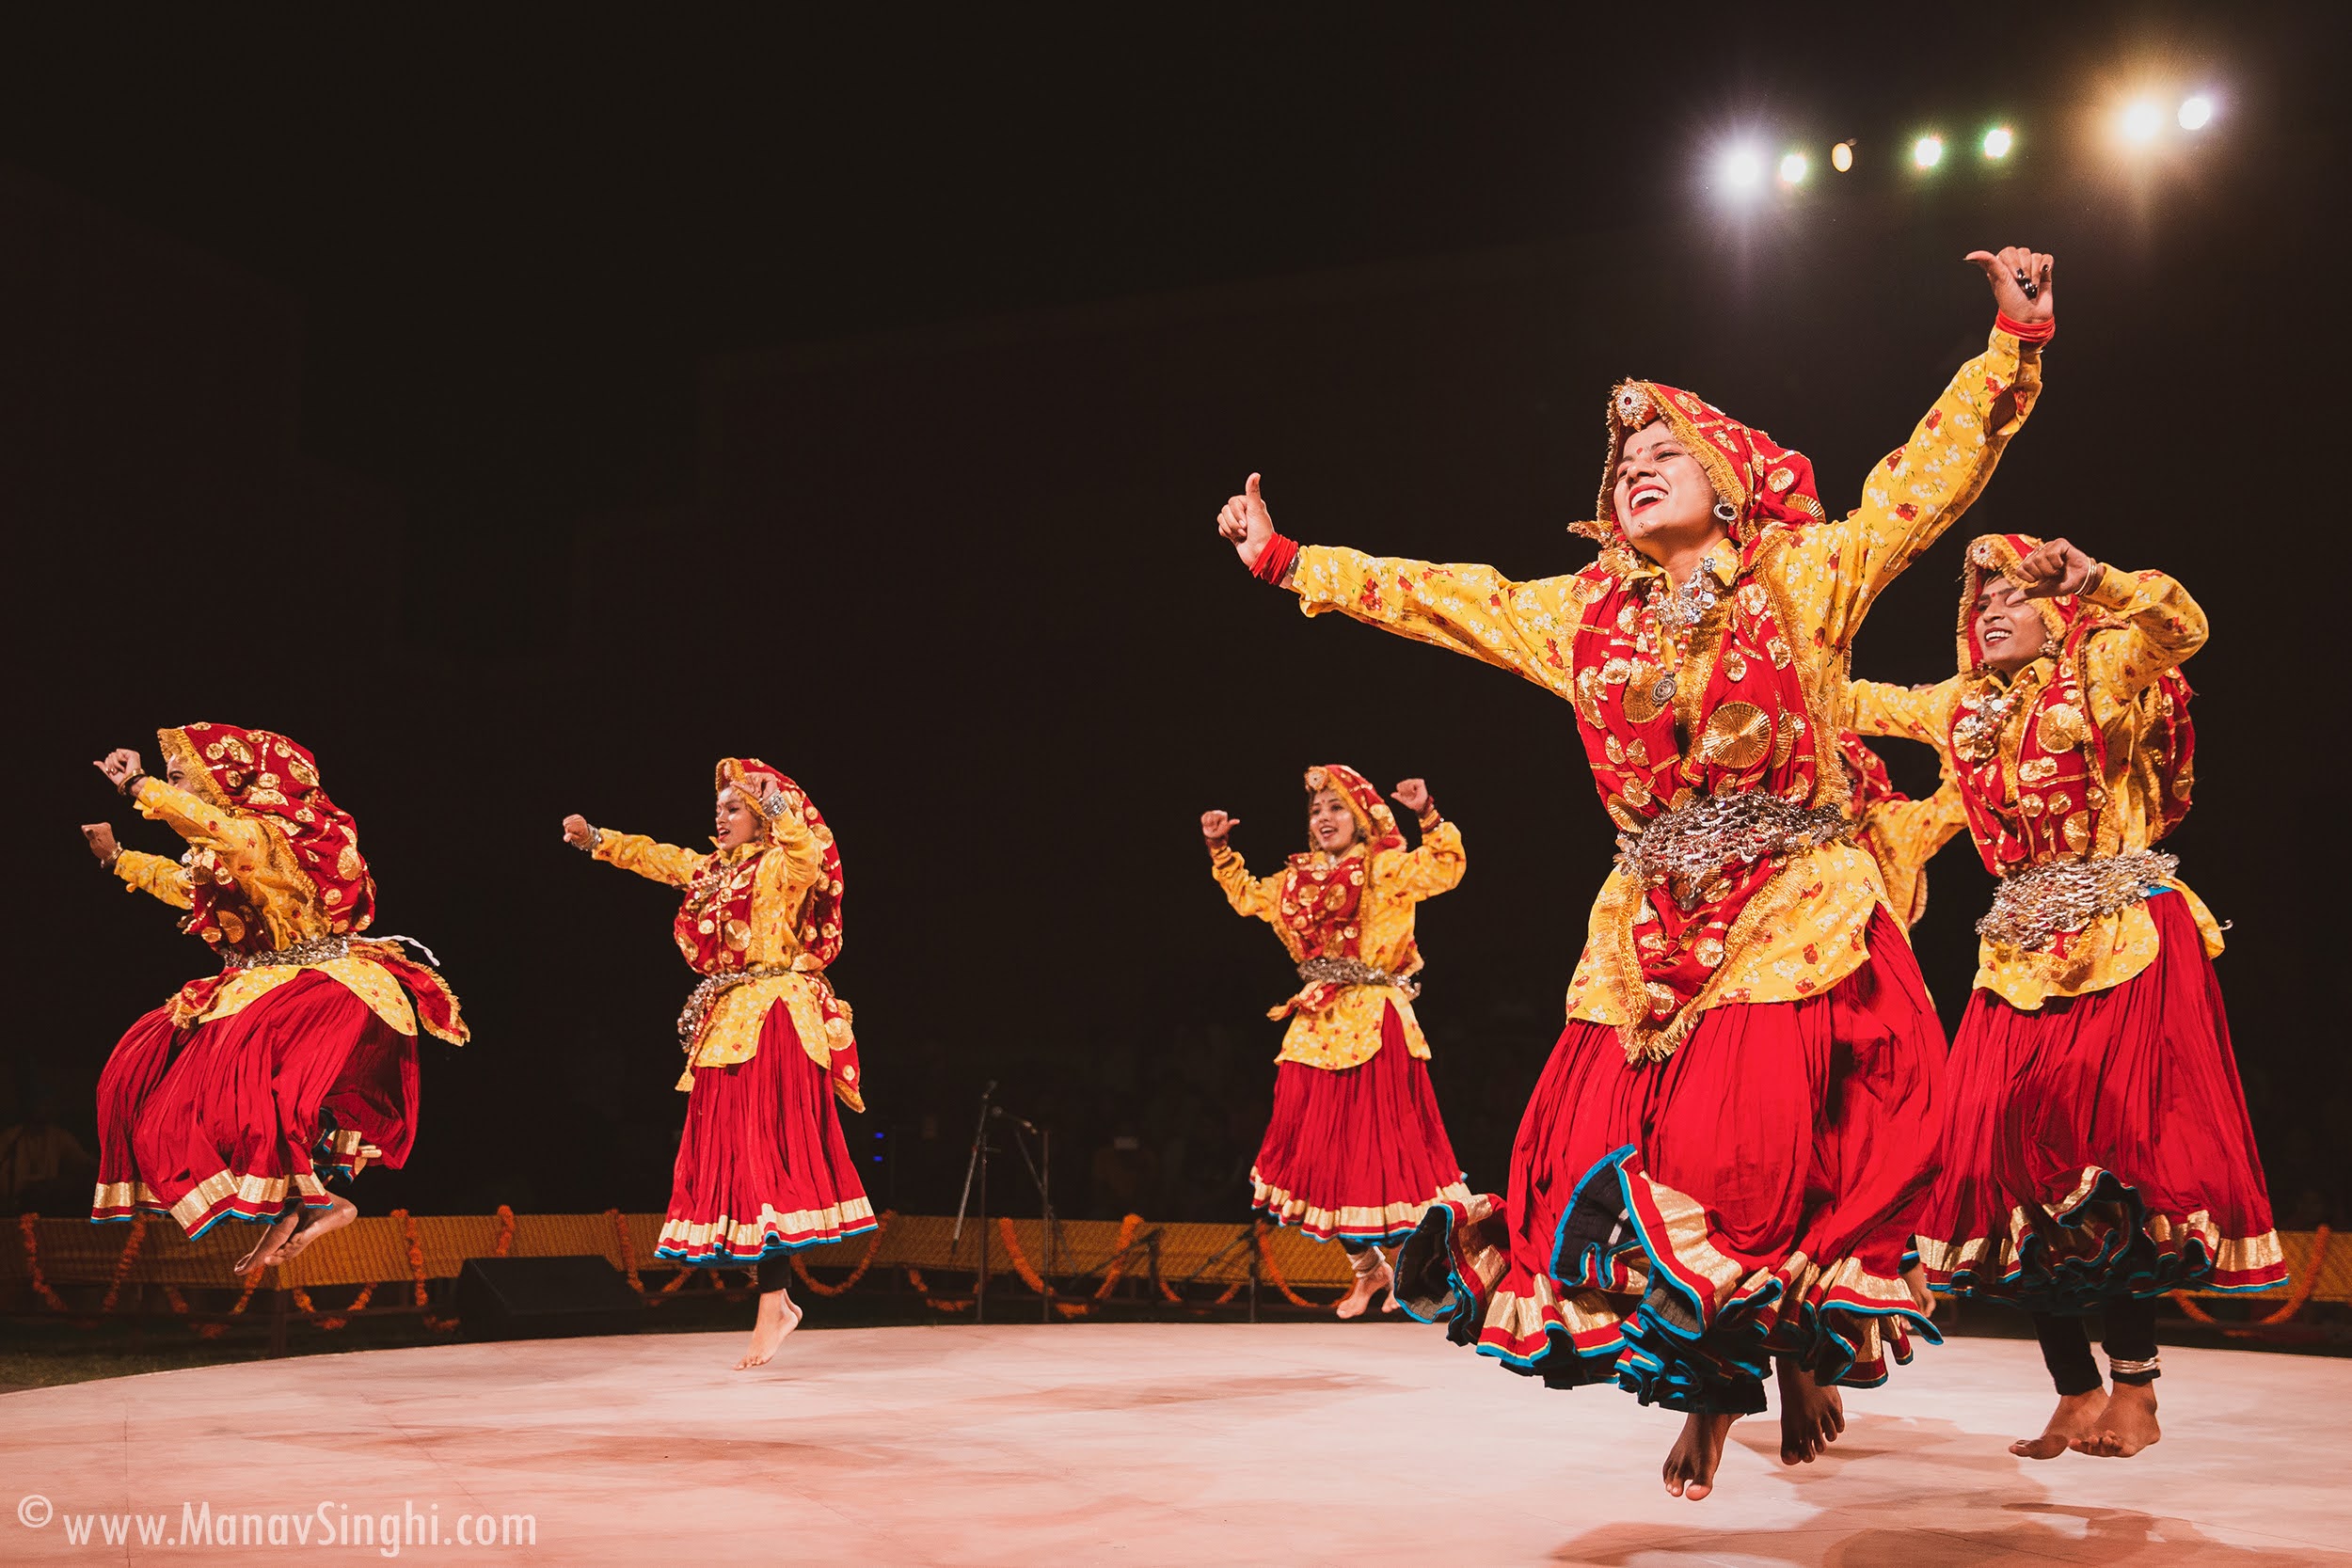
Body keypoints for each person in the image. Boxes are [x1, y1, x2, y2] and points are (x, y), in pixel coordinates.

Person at [1212, 246, 2053, 1498]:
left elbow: (1920, 487)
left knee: (1743, 1150)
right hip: (1645, 925)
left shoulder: (1804, 576)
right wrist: (1293, 562)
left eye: (1663, 452)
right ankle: (1720, 1384)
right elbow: (1445, 596)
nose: (1637, 468)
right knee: (1602, 1159)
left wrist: (2014, 344)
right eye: (1620, 462)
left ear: (1722, 477)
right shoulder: (1585, 611)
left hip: (1789, 905)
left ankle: (1780, 1359)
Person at [1849, 533, 2281, 1462]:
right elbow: (1843, 697)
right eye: (1981, 599)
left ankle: (2134, 1389)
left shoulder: (2101, 665)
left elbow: (2182, 625)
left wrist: (2095, 580)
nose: (1992, 608)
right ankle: (2075, 1388)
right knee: (2004, 1175)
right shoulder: (1957, 706)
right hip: (2014, 959)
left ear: (2054, 608)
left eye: (2013, 593)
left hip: (2121, 939)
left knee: (2100, 1168)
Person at [84, 724, 467, 1274]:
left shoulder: (269, 838)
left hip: (317, 988)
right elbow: (190, 885)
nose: (174, 786)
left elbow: (224, 836)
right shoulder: (225, 851)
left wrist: (139, 786)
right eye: (168, 779)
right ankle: (302, 1204)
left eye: (180, 778)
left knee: (253, 1107)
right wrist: (119, 858)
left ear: (223, 780)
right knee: (142, 1096)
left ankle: (308, 1199)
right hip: (255, 986)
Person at [564, 758, 872, 1370]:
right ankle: (776, 1300)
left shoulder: (780, 866)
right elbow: (657, 858)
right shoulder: (713, 871)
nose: (720, 816)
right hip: (730, 1023)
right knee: (739, 1164)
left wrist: (780, 805)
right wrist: (598, 839)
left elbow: (809, 857)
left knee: (767, 1159)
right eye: (719, 808)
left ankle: (771, 1306)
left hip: (780, 1019)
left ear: (759, 816)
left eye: (734, 807)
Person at [1202, 765, 1472, 1317]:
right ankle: (1366, 1274)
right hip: (1315, 1028)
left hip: (1376, 1022)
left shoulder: (1384, 869)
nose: (1324, 819)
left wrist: (1427, 813)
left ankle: (1402, 1272)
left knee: (1380, 1153)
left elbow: (1447, 867)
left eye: (1336, 808)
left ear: (1363, 816)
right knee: (1318, 1156)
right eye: (1316, 811)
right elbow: (1249, 898)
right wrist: (1220, 850)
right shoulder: (1297, 882)